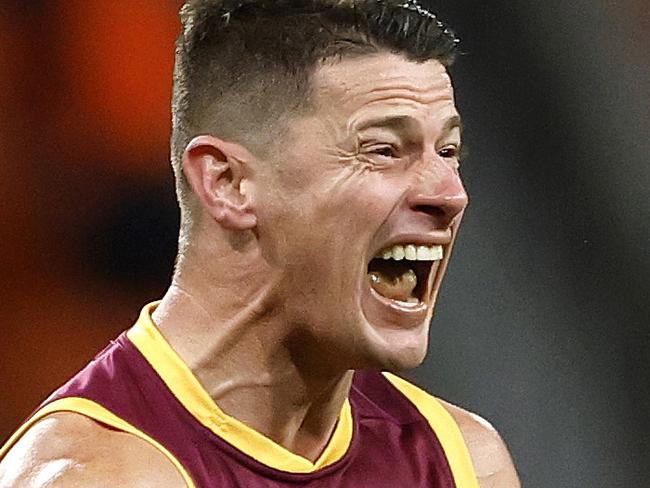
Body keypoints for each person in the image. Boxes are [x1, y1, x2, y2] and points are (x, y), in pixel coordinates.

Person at [0, 1, 520, 486]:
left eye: (448, 150)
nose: (450, 194)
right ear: (228, 184)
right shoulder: (97, 473)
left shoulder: (462, 462)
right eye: (383, 150)